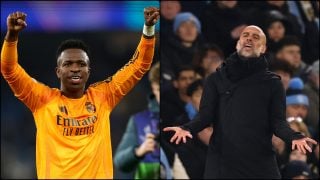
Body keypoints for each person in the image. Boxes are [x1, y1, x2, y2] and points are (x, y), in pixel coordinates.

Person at [1, 8, 159, 179]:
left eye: (81, 64)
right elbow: (9, 70)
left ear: (88, 71)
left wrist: (148, 29)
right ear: (58, 71)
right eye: (68, 64)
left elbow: (140, 64)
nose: (75, 68)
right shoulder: (42, 99)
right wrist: (11, 37)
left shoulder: (103, 96)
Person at [163, 25, 317, 178]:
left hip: (259, 161)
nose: (249, 38)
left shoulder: (273, 83)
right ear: (238, 44)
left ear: (263, 48)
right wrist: (187, 128)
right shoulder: (216, 79)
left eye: (255, 37)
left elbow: (278, 123)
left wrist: (294, 136)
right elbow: (205, 116)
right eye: (245, 35)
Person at [113, 62, 160, 179]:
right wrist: (139, 151)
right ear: (154, 88)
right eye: (160, 89)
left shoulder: (185, 115)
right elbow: (119, 162)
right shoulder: (139, 121)